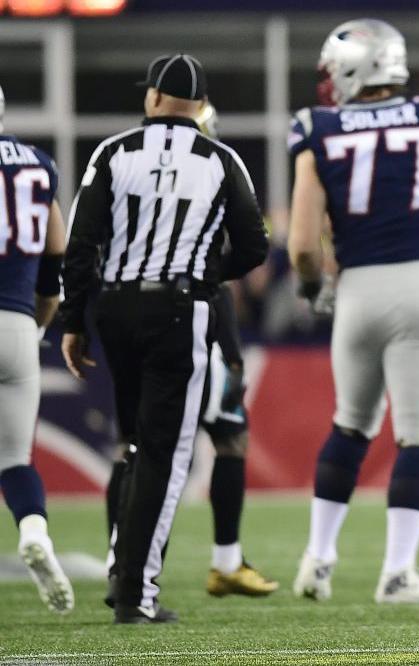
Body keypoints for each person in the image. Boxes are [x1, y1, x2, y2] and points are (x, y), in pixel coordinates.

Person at [60, 54, 269, 624]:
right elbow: (253, 246)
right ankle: (136, 591)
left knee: (133, 446)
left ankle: (119, 567)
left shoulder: (112, 151)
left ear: (153, 98)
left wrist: (74, 320)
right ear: (200, 107)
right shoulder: (222, 159)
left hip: (117, 307)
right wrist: (203, 274)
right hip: (180, 309)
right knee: (165, 454)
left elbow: (82, 246)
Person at [289, 19, 419, 605]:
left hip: (357, 291)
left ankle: (317, 558)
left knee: (349, 425)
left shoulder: (318, 128)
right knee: (418, 438)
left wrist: (315, 288)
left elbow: (302, 244)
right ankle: (396, 571)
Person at [101, 103, 277, 600]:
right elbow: (238, 260)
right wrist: (231, 347)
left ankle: (125, 559)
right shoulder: (209, 171)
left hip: (138, 321)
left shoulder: (128, 171)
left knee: (137, 447)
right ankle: (190, 562)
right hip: (192, 324)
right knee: (179, 449)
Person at [0, 84, 75, 615]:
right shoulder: (39, 163)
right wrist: (39, 324)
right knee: (13, 458)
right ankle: (34, 531)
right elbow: (56, 259)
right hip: (18, 325)